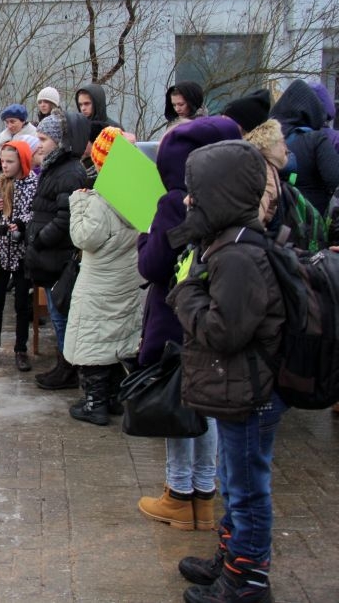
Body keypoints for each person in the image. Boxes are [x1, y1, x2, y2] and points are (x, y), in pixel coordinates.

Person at [167, 140, 285, 603]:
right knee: (235, 480)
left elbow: (223, 331)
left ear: (223, 193)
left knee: (248, 488)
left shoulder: (239, 255)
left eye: (197, 192)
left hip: (251, 392)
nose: (190, 200)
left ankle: (248, 580)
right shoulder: (226, 241)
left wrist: (187, 294)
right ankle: (232, 557)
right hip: (239, 388)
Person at [135, 117, 242, 531]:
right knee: (208, 409)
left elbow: (153, 264)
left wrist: (146, 237)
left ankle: (178, 495)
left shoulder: (172, 202)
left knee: (177, 404)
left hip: (176, 317)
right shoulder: (231, 200)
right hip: (215, 315)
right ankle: (204, 497)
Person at [61, 127, 143, 425]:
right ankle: (112, 398)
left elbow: (85, 238)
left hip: (99, 283)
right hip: (125, 279)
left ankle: (94, 403)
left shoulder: (100, 199)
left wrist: (78, 202)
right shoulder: (139, 194)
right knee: (116, 337)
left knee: (94, 338)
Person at [25, 111, 89, 389]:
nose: (37, 144)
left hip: (57, 255)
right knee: (57, 313)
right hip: (49, 255)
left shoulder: (70, 171)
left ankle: (68, 368)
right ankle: (64, 364)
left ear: (59, 141)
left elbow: (65, 218)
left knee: (61, 315)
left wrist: (39, 239)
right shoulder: (55, 166)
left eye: (43, 138)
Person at [0, 140, 38, 371]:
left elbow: (38, 214)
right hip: (0, 252)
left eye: (10, 161)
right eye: (2, 161)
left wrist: (22, 225)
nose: (5, 165)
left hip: (22, 253)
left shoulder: (33, 184)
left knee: (22, 304)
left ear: (22, 161)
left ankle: (21, 349)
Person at [268, 78, 339, 214]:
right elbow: (335, 180)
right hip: (309, 221)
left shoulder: (264, 140)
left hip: (272, 220)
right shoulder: (314, 140)